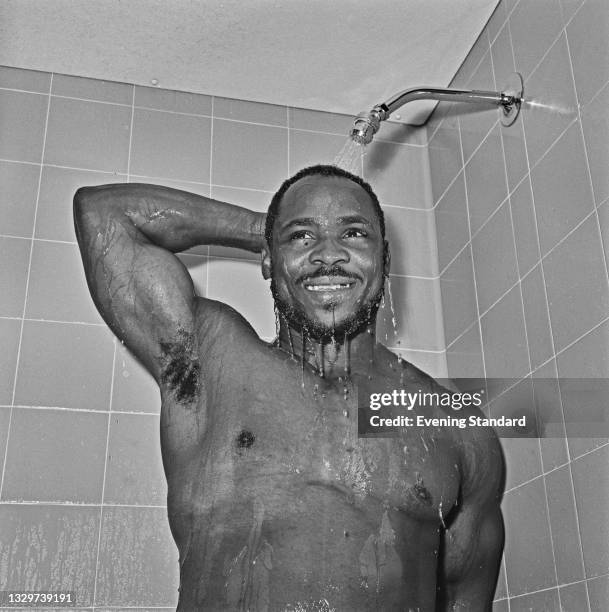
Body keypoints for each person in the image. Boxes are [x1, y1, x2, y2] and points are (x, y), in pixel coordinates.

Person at [74, 164, 504, 611]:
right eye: (301, 237)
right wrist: (266, 230)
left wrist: (292, 235)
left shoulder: (454, 427)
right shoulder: (211, 364)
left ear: (385, 261)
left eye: (354, 234)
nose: (328, 255)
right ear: (268, 258)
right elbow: (105, 216)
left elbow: (466, 601)